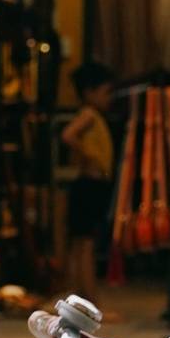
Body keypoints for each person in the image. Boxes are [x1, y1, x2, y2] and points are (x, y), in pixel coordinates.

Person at [59, 58, 116, 301]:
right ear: (90, 93)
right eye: (105, 92)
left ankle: (77, 294)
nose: (109, 98)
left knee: (81, 243)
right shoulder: (90, 115)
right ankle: (90, 299)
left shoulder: (93, 115)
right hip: (90, 184)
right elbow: (68, 135)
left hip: (92, 184)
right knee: (86, 244)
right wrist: (88, 155)